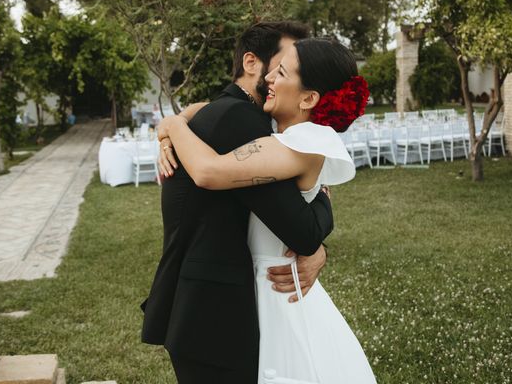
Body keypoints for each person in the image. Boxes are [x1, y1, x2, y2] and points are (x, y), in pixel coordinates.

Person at [158, 38, 377, 384]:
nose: (269, 78)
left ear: (308, 98)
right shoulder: (290, 135)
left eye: (282, 72)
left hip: (278, 292)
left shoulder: (298, 143)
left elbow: (208, 171)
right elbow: (209, 108)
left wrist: (172, 126)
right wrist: (178, 118)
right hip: (262, 284)